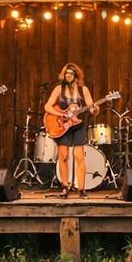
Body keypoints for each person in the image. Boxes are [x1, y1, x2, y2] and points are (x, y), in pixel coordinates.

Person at [43, 63, 98, 199]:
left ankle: (81, 189)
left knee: (79, 156)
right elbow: (47, 106)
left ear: (75, 75)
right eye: (66, 73)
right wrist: (61, 114)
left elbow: (91, 107)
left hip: (78, 125)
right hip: (63, 126)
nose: (68, 76)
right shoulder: (58, 89)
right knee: (63, 156)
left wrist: (95, 109)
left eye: (70, 73)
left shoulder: (83, 89)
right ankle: (65, 187)